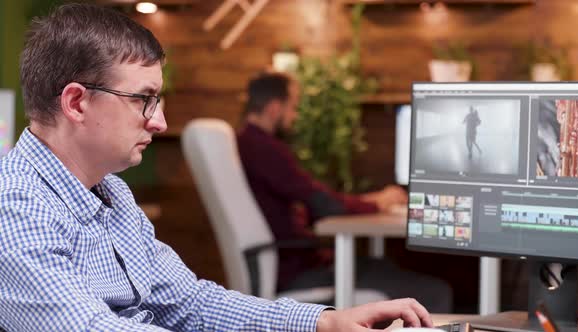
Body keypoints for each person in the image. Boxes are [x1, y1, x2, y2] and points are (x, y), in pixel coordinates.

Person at [0, 3, 435, 331]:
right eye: (143, 99)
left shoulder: (113, 192)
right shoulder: (16, 207)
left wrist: (324, 323)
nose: (160, 121)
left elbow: (191, 303)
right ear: (76, 102)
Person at [237, 72, 452, 312]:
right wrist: (377, 204)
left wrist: (368, 200)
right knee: (433, 292)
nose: (295, 116)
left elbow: (311, 198)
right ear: (275, 108)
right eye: (293, 107)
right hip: (300, 271)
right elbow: (323, 203)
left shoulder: (248, 144)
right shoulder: (264, 149)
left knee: (383, 267)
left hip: (297, 264)